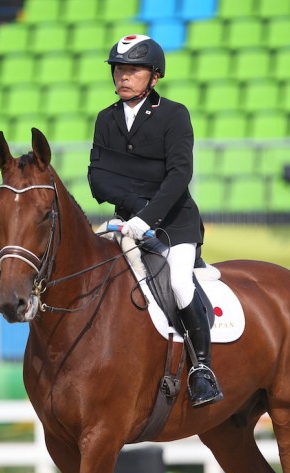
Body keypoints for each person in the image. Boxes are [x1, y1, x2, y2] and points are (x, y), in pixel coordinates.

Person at [88, 34, 223, 408]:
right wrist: (134, 211)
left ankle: (202, 371)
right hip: (127, 223)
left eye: (133, 70)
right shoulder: (106, 119)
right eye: (119, 69)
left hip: (175, 225)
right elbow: (98, 178)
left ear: (155, 75)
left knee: (179, 284)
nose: (123, 77)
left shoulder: (173, 114)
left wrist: (147, 216)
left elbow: (179, 176)